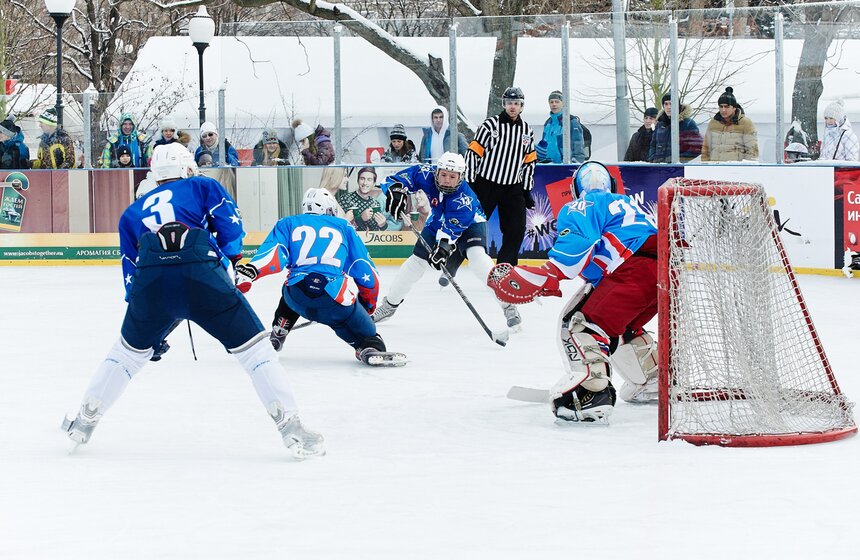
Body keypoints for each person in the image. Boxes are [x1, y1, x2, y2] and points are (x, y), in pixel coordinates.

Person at [60, 143, 324, 458]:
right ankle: (290, 425)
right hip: (203, 275)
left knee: (125, 356)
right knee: (257, 353)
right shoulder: (202, 185)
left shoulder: (131, 213)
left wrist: (150, 326)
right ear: (187, 168)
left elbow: (131, 273)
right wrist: (235, 259)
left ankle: (85, 420)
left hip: (151, 286)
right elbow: (228, 224)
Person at [487, 161, 659, 423]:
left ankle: (591, 392)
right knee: (622, 326)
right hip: (662, 273)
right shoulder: (629, 205)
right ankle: (651, 378)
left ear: (576, 189)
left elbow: (579, 241)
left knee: (582, 325)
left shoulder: (583, 204)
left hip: (632, 270)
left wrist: (550, 272)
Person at [234, 188, 405, 366]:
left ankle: (279, 330)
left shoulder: (288, 223)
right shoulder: (344, 226)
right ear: (329, 209)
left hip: (297, 297)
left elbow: (274, 253)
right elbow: (366, 272)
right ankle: (369, 347)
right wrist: (367, 308)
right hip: (334, 300)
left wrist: (252, 271)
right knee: (368, 333)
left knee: (291, 285)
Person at [371, 152, 522, 329]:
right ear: (437, 172)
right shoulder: (425, 173)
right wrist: (395, 191)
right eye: (443, 175)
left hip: (471, 223)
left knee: (478, 259)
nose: (446, 180)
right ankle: (389, 305)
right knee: (415, 263)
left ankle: (507, 303)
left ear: (460, 177)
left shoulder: (465, 200)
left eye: (452, 176)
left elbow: (451, 231)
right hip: (438, 219)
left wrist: (443, 249)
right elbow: (395, 179)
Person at [451, 86, 536, 316]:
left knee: (516, 230)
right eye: (509, 102)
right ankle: (454, 261)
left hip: (513, 187)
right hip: (487, 184)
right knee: (473, 226)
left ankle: (504, 272)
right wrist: (473, 183)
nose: (512, 106)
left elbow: (529, 161)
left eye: (517, 103)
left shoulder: (527, 130)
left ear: (521, 106)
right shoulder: (491, 125)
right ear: (504, 103)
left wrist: (526, 190)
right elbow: (473, 153)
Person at [701, 87, 759, 162]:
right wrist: (704, 165)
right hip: (714, 169)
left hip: (736, 170)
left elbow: (752, 151)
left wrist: (746, 169)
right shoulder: (713, 123)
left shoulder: (745, 123)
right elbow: (705, 148)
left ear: (734, 108)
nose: (723, 110)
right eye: (721, 106)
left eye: (727, 106)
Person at [536, 90, 589, 164]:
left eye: (557, 102)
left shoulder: (571, 121)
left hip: (564, 165)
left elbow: (578, 143)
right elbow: (544, 145)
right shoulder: (548, 123)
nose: (554, 104)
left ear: (563, 103)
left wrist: (576, 162)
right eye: (551, 102)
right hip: (548, 165)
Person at [339, 167, 399, 232]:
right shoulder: (346, 199)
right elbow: (340, 226)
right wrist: (361, 218)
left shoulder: (375, 204)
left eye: (369, 179)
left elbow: (378, 232)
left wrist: (383, 225)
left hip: (371, 241)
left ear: (374, 184)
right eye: (362, 179)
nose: (365, 183)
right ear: (357, 181)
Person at [648, 93, 703, 163]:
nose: (669, 107)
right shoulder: (660, 124)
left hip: (678, 169)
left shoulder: (688, 123)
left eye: (671, 103)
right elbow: (653, 145)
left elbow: (697, 147)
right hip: (659, 168)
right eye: (666, 104)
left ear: (677, 105)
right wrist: (652, 159)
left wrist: (678, 160)